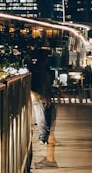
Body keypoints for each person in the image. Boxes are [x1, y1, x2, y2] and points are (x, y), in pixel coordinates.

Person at [29, 40, 59, 169]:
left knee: (44, 122)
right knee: (47, 122)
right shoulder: (43, 69)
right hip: (43, 97)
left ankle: (49, 159)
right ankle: (49, 159)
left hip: (40, 97)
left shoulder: (38, 69)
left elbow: (41, 84)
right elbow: (44, 84)